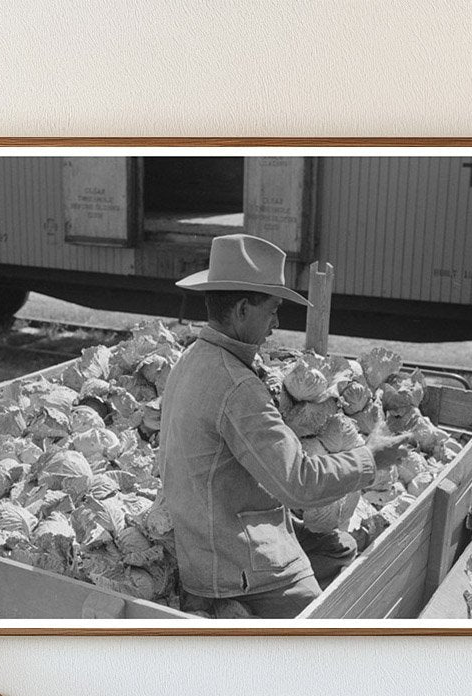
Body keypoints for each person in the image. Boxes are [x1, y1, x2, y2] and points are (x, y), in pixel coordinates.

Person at [158, 233, 408, 619]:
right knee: (336, 615)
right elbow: (301, 483)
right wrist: (371, 457)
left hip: (208, 540)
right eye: (272, 309)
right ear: (242, 309)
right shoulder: (236, 386)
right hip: (234, 563)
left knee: (338, 548)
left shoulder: (193, 359)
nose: (276, 323)